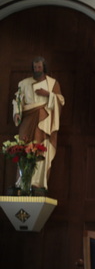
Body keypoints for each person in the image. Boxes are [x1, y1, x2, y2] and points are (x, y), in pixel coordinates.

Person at [12, 56, 65, 194]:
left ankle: (39, 182)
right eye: (35, 67)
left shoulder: (53, 83)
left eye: (39, 67)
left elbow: (60, 100)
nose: (37, 70)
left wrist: (48, 94)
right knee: (24, 148)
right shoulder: (24, 83)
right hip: (28, 119)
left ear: (44, 67)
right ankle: (23, 182)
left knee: (42, 149)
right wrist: (17, 112)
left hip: (45, 121)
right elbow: (18, 100)